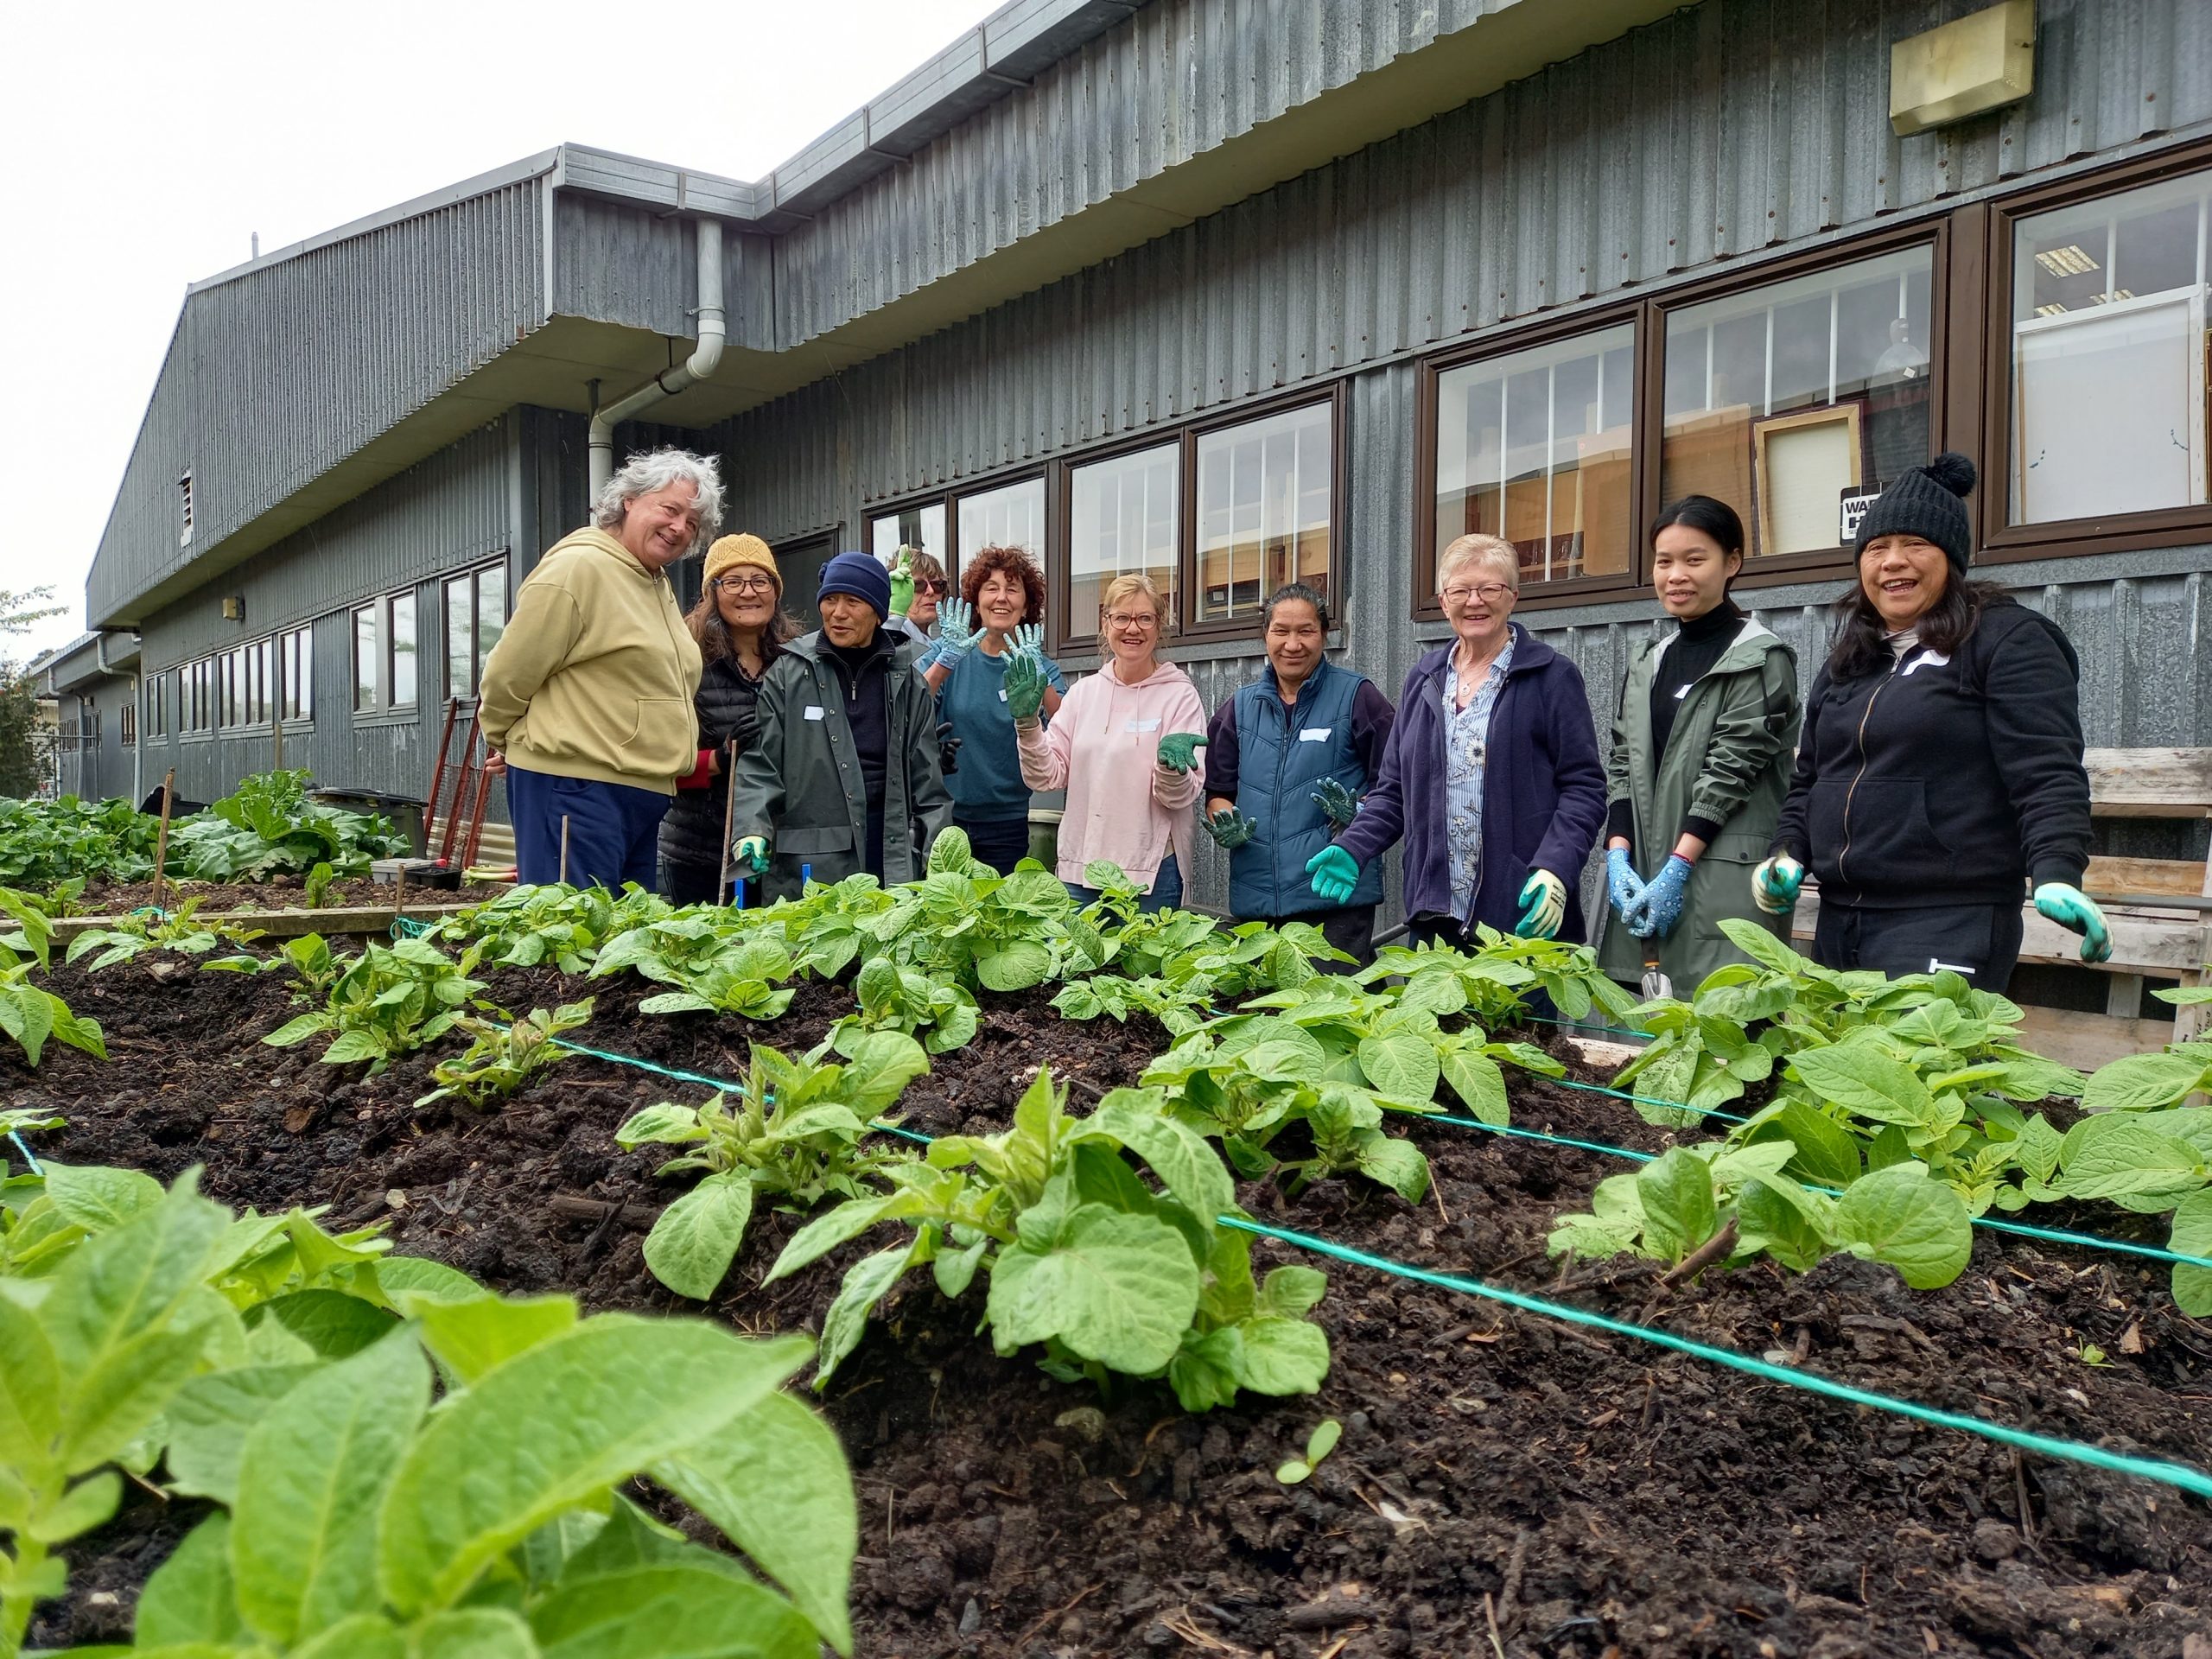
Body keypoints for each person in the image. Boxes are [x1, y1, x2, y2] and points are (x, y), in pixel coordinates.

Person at [1753, 453, 2109, 990]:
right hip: (1840, 916)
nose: (1893, 561)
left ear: (1951, 558)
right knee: (1840, 1073)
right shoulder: (1851, 661)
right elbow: (1811, 779)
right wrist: (1787, 852)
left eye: (1915, 545)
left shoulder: (2007, 641)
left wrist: (2057, 872)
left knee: (1918, 1068)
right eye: (1877, 548)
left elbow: (2047, 772)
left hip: (1949, 914)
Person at [1309, 533, 1605, 945]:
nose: (1475, 601)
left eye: (1489, 588)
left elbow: (1584, 788)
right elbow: (1393, 790)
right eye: (1461, 590)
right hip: (1436, 915)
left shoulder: (1552, 677)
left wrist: (1556, 866)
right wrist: (1355, 846)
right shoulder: (1424, 680)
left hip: (1519, 911)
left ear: (1513, 596)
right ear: (1444, 600)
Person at [479, 448, 716, 888]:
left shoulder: (652, 581)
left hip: (638, 791)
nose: (680, 527)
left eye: (693, 523)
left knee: (618, 943)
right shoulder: (580, 566)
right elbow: (509, 673)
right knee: (573, 940)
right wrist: (508, 739)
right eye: (670, 508)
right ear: (630, 500)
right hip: (579, 786)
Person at [1599, 497, 1802, 991]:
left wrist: (1679, 865)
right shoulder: (1650, 660)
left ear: (1732, 563)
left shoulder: (1760, 658)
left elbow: (1733, 769)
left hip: (1721, 884)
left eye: (1695, 560)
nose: (1676, 576)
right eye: (1664, 561)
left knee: (1727, 1034)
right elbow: (1623, 762)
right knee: (1643, 1044)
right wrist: (1618, 855)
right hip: (1646, 875)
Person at [727, 552, 953, 904]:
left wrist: (941, 859)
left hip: (889, 850)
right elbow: (760, 768)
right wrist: (751, 831)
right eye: (830, 600)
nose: (838, 612)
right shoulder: (788, 676)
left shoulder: (906, 681)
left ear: (878, 611)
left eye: (853, 601)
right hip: (809, 867)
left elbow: (928, 785)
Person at [1200, 583, 1395, 964]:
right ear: (1265, 635)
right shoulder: (1237, 709)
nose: (1293, 644)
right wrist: (1224, 820)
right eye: (1281, 631)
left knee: (1339, 1012)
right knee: (1267, 1017)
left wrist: (1358, 812)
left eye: (1306, 631)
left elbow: (1394, 787)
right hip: (1257, 901)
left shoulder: (1358, 697)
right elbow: (1218, 792)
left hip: (1334, 894)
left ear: (1324, 634)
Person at [1012, 573, 1204, 912]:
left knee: (1146, 967)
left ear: (1159, 626)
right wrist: (1028, 725)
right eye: (1122, 618)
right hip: (1079, 873)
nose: (1134, 628)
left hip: (1150, 874)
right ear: (1106, 624)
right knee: (1079, 967)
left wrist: (1170, 769)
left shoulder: (1179, 696)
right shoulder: (1084, 694)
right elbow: (1046, 777)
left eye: (1145, 618)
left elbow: (1178, 797)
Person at [656, 533, 799, 906]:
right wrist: (719, 760)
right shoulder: (687, 662)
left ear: (775, 591)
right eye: (733, 581)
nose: (748, 592)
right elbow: (657, 763)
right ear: (712, 592)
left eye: (760, 580)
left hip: (779, 849)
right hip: (702, 850)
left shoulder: (797, 662)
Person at [922, 545, 1066, 871]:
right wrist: (945, 663)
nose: (1002, 597)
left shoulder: (1041, 666)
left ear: (1026, 604)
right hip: (946, 817)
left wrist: (1039, 680)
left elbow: (1066, 725)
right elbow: (907, 704)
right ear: (976, 601)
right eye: (991, 588)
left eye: (1012, 590)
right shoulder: (950, 652)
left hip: (1008, 823)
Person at [885, 545, 949, 646]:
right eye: (918, 585)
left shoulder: (930, 642)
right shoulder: (890, 636)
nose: (930, 591)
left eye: (937, 584)